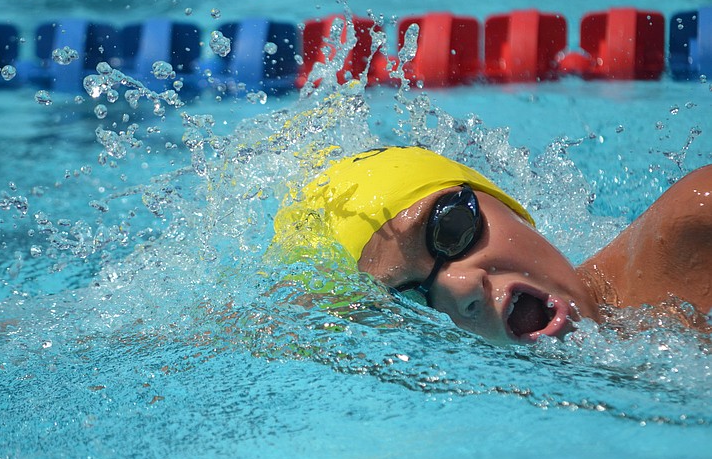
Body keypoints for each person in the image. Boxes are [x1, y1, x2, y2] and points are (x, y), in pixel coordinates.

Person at [273, 146, 712, 344]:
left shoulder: (697, 224)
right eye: (411, 298)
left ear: (506, 203)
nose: (461, 288)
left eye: (451, 229)